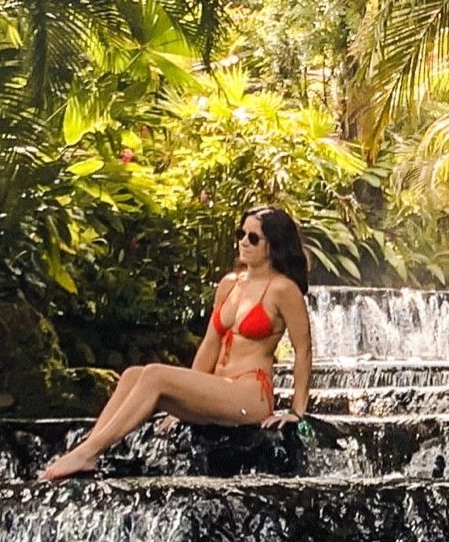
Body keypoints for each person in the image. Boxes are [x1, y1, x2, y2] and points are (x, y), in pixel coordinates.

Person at [41, 206, 314, 480]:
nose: (243, 241)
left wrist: (296, 410)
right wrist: (186, 400)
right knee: (132, 375)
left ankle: (88, 452)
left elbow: (303, 350)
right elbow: (210, 344)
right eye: (240, 233)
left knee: (154, 374)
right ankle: (90, 448)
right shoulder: (230, 284)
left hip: (250, 394)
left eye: (253, 237)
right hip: (218, 388)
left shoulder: (283, 289)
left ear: (273, 245)